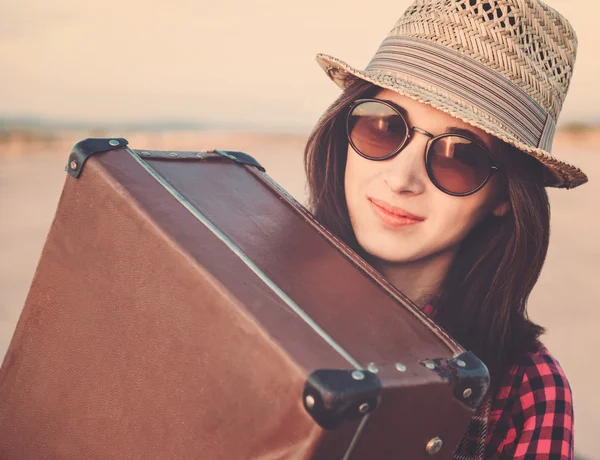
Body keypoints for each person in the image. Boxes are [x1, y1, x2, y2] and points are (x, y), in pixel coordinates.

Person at [304, 0, 586, 458]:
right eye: (382, 127)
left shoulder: (526, 391)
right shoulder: (242, 273)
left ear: (502, 199)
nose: (401, 179)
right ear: (343, 131)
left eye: (459, 158)